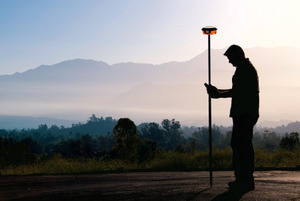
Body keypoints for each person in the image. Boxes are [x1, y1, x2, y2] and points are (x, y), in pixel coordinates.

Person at [205, 45, 259, 193]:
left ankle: (245, 179)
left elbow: (239, 92)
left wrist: (218, 94)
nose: (229, 62)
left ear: (237, 56)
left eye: (230, 58)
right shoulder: (244, 68)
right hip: (244, 112)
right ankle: (242, 178)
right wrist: (218, 92)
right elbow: (236, 90)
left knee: (242, 145)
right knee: (239, 145)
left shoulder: (245, 70)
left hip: (245, 112)